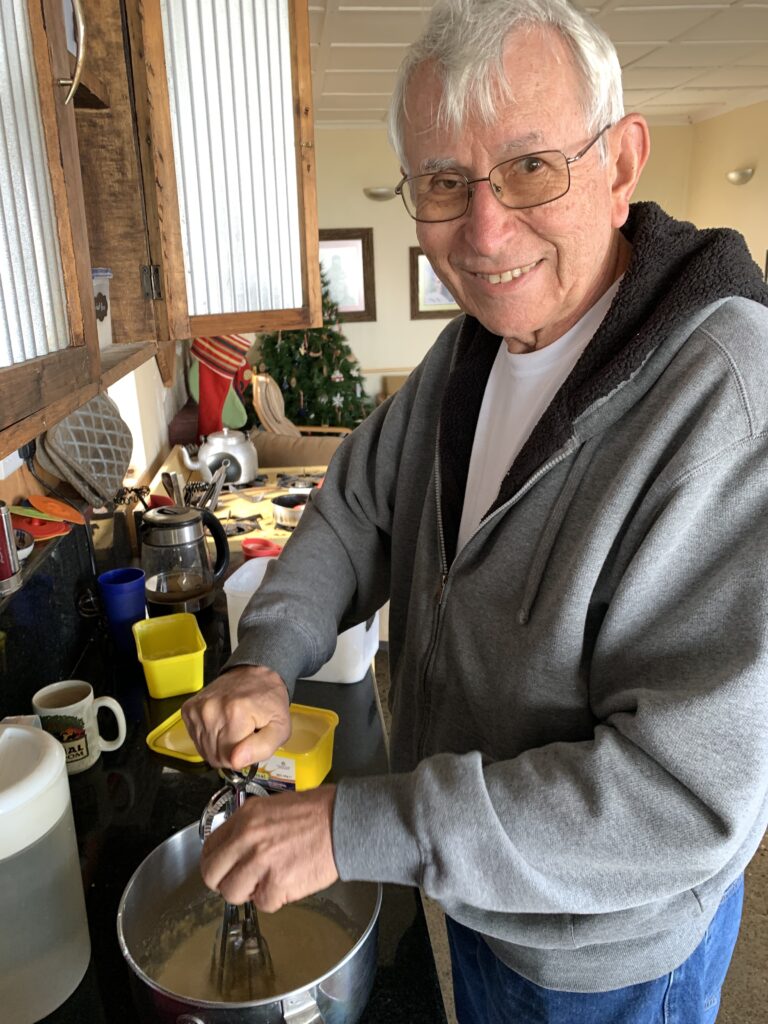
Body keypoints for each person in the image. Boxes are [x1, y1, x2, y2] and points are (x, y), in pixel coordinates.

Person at [182, 0, 768, 1020]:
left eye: (531, 168)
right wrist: (264, 654)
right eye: (445, 184)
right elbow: (356, 507)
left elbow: (677, 800)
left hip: (605, 953)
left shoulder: (727, 404)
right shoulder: (474, 348)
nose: (486, 231)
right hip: (476, 885)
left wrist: (353, 829)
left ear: (622, 166)